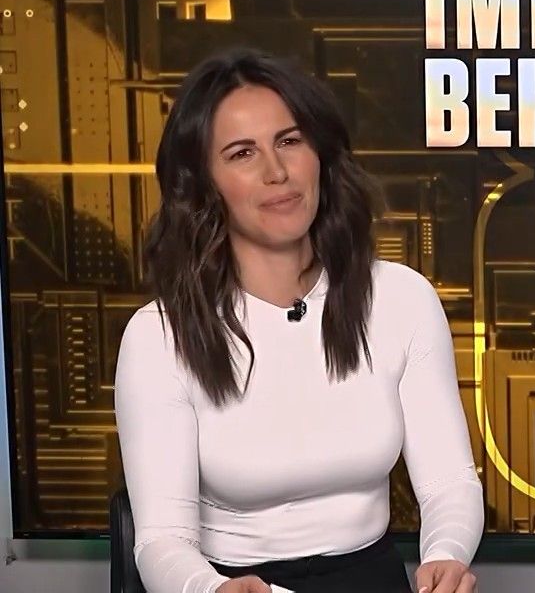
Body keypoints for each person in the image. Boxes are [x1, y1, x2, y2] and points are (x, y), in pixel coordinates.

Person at [114, 48, 484, 593]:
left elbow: (450, 483)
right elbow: (161, 542)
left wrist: (446, 556)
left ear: (320, 155)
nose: (277, 172)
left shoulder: (401, 299)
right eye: (243, 153)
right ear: (203, 184)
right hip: (236, 585)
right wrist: (209, 590)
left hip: (373, 577)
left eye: (289, 141)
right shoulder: (157, 338)